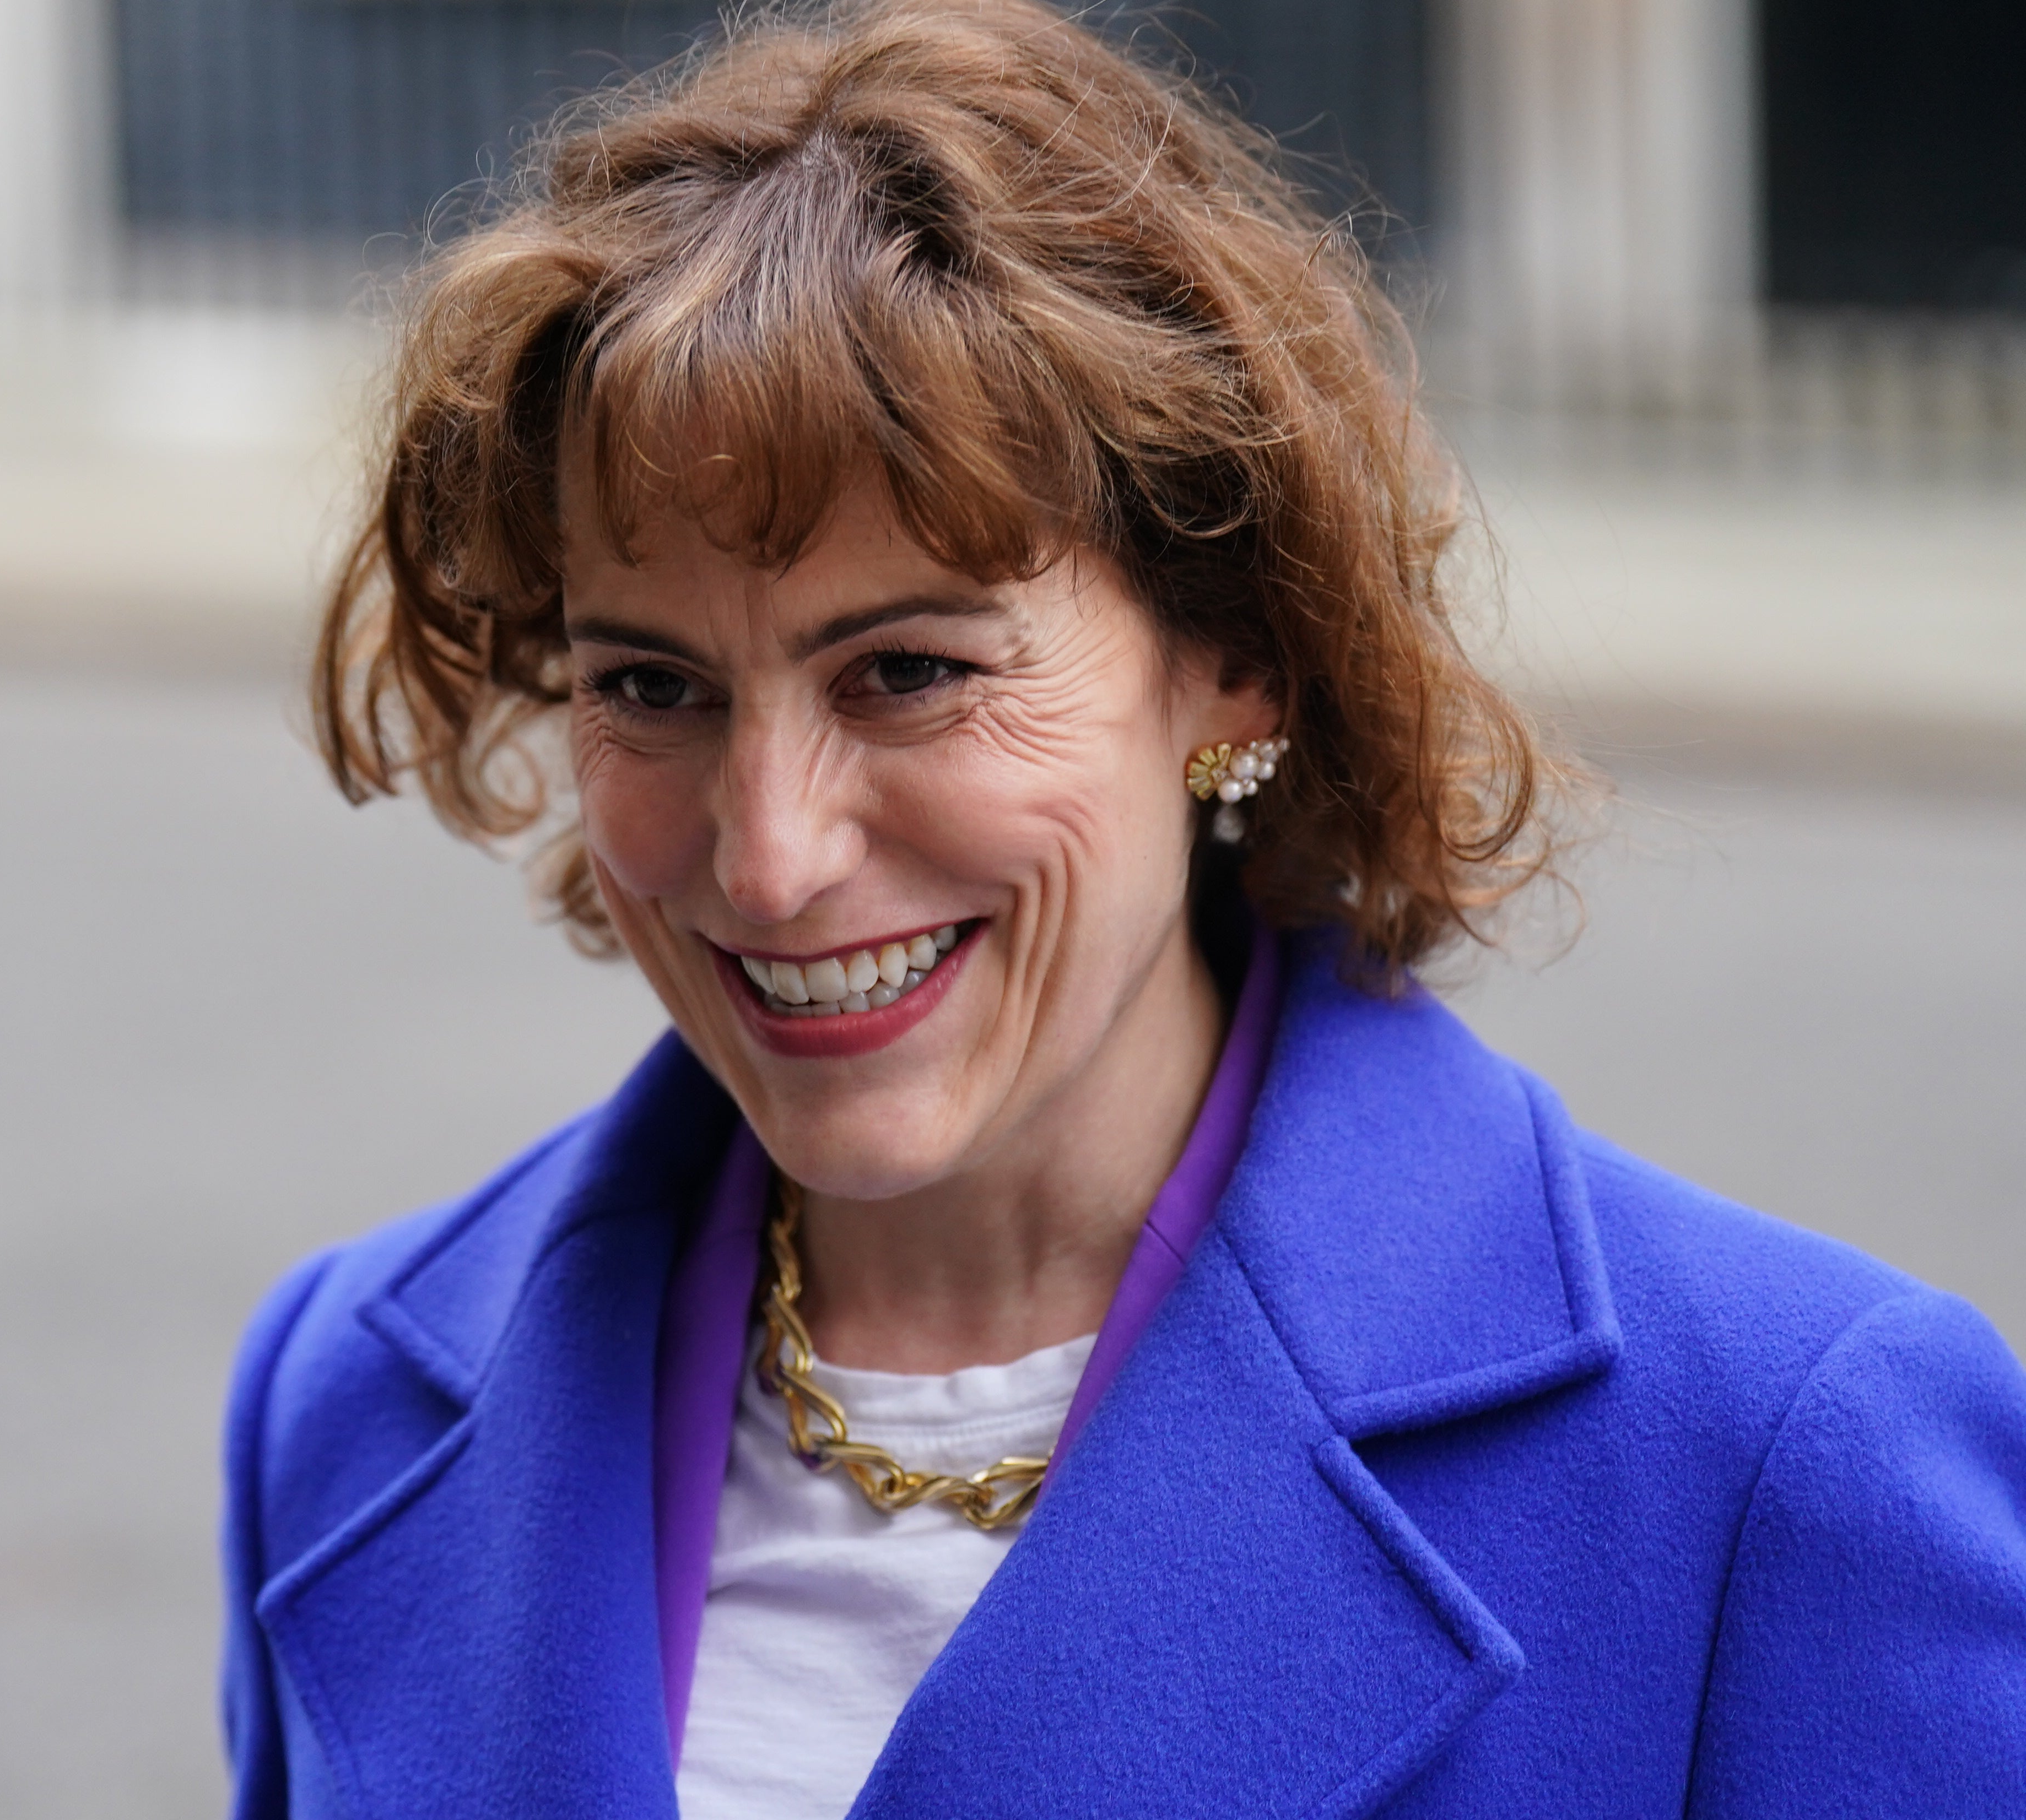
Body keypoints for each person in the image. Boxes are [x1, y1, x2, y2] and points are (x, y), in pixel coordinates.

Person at [220, 2, 2026, 1814]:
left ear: (1236, 657)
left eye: (910, 672)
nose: (768, 859)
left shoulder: (1778, 1463)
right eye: (653, 687)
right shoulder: (342, 1399)